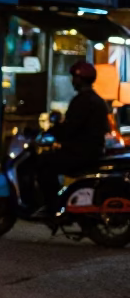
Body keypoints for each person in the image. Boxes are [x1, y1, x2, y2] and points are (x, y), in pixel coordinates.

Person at [31, 61, 110, 213]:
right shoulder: (97, 101)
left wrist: (52, 133)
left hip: (81, 153)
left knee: (44, 164)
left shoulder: (82, 101)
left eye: (74, 78)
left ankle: (52, 206)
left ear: (80, 79)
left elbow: (70, 127)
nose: (73, 81)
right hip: (91, 151)